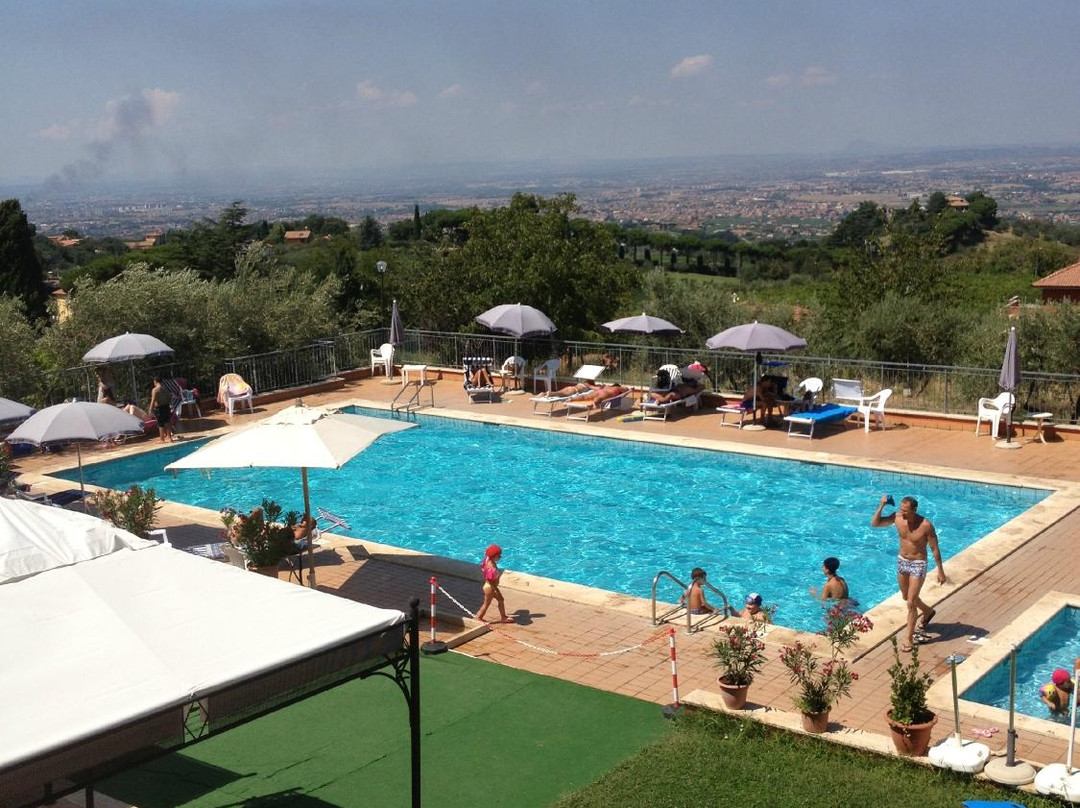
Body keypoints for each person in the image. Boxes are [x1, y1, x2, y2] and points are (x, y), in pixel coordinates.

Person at [871, 495, 946, 653]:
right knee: (906, 597)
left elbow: (934, 548)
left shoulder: (925, 525)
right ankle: (928, 611)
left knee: (911, 602)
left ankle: (908, 639)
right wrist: (881, 505)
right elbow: (875, 523)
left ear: (914, 510)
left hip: (918, 563)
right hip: (902, 561)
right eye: (901, 509)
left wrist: (940, 570)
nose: (902, 513)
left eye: (905, 511)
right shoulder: (897, 518)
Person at [476, 543, 513, 624]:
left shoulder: (487, 559)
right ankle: (479, 618)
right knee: (487, 603)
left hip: (489, 586)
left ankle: (503, 617)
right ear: (493, 556)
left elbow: (487, 552)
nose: (500, 557)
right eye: (498, 556)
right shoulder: (491, 569)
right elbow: (490, 580)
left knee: (500, 600)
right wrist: (495, 589)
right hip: (490, 588)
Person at [148, 376, 174, 443]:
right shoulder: (166, 389)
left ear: (155, 381)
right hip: (166, 407)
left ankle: (162, 439)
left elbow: (153, 400)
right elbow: (170, 397)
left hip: (159, 408)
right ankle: (170, 438)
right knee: (167, 422)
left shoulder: (155, 390)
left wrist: (150, 409)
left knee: (160, 424)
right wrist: (171, 405)